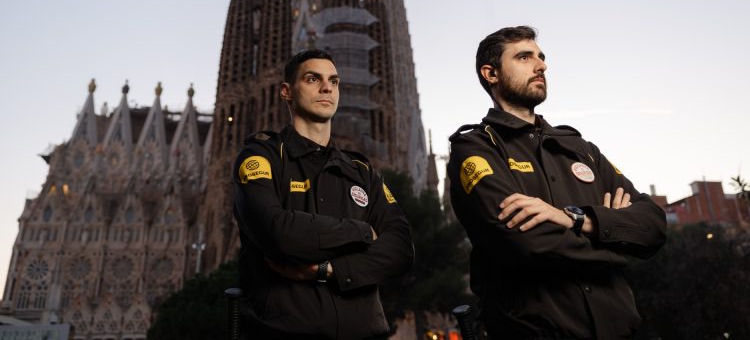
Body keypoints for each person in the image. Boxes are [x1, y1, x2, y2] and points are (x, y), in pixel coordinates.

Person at [448, 26, 666, 339]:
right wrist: (616, 242)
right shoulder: (475, 148)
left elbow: (653, 225)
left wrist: (577, 219)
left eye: (541, 57)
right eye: (524, 57)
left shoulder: (580, 149)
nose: (542, 66)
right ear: (491, 73)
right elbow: (526, 242)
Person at [233, 50, 414, 340]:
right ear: (286, 91)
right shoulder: (262, 158)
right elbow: (277, 233)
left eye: (334, 81)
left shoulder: (362, 171)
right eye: (312, 79)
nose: (326, 87)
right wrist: (363, 232)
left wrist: (329, 270)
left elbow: (401, 249)